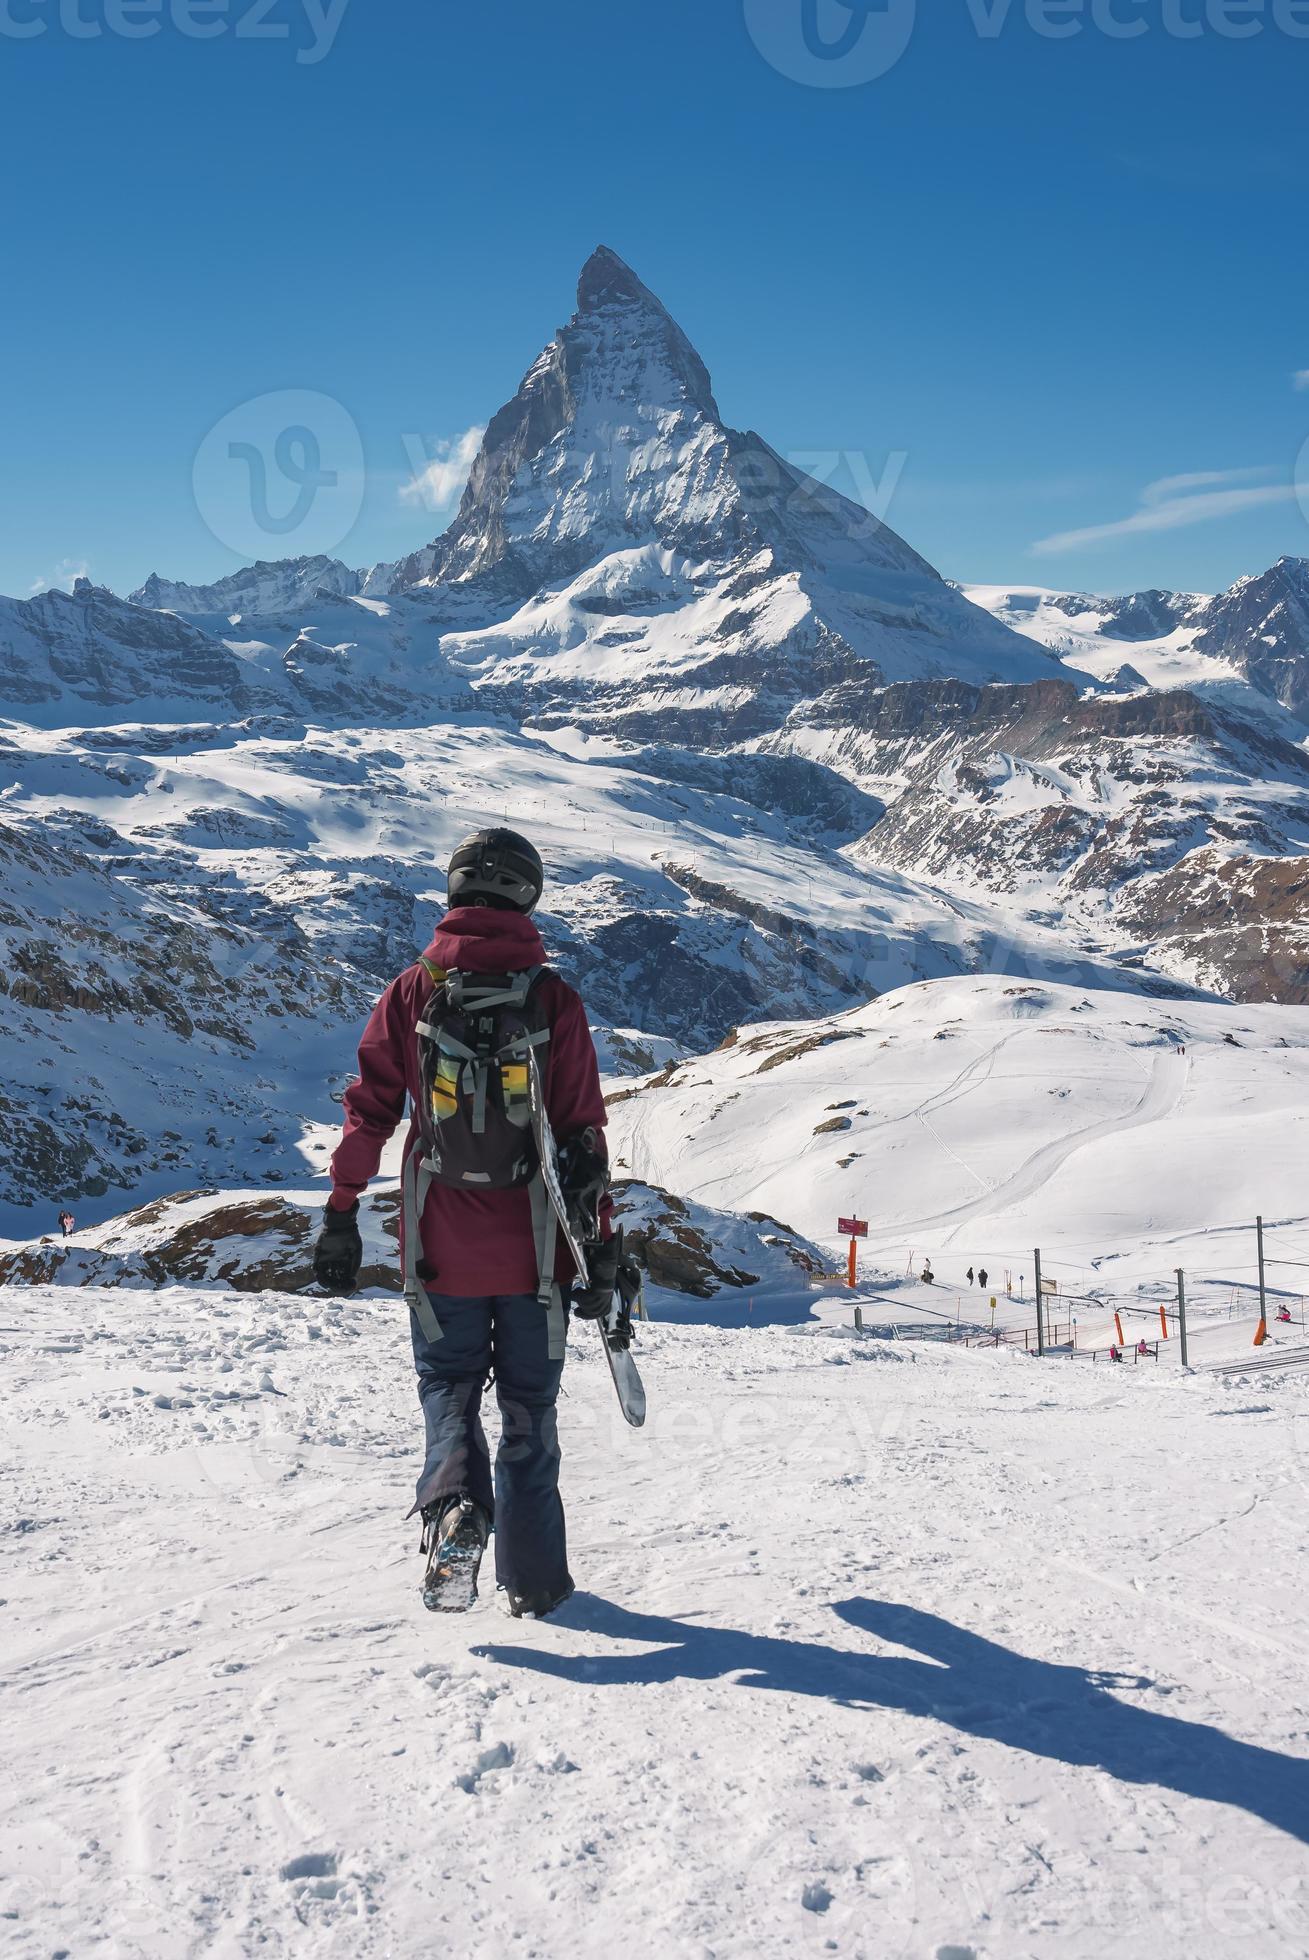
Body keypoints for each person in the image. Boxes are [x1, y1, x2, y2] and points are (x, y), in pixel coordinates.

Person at [313, 828, 620, 1621]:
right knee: (529, 1413)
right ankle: (538, 1583)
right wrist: (603, 1252)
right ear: (528, 896)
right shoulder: (553, 1001)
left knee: (448, 1385)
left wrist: (342, 1211)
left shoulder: (412, 990)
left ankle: (456, 1510)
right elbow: (583, 1139)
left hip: (437, 1244)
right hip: (537, 1254)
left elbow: (369, 1113)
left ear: (454, 893)